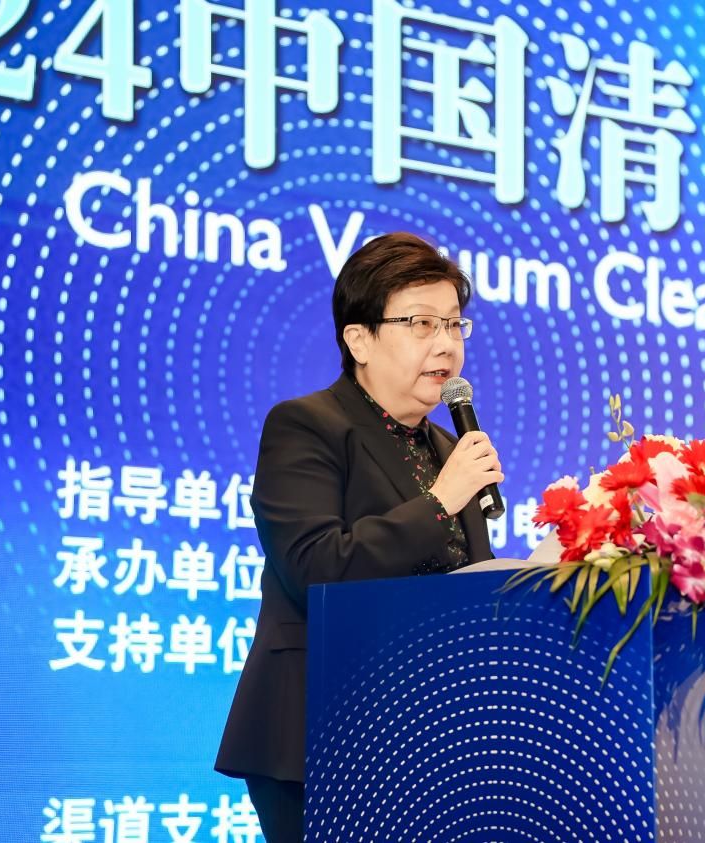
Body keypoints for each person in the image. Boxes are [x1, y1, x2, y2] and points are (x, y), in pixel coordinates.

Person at [214, 232, 502, 843]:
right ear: (359, 340)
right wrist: (441, 502)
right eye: (421, 324)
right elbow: (316, 567)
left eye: (454, 324)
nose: (446, 344)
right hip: (322, 732)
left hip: (429, 737)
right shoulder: (307, 426)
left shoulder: (449, 448)